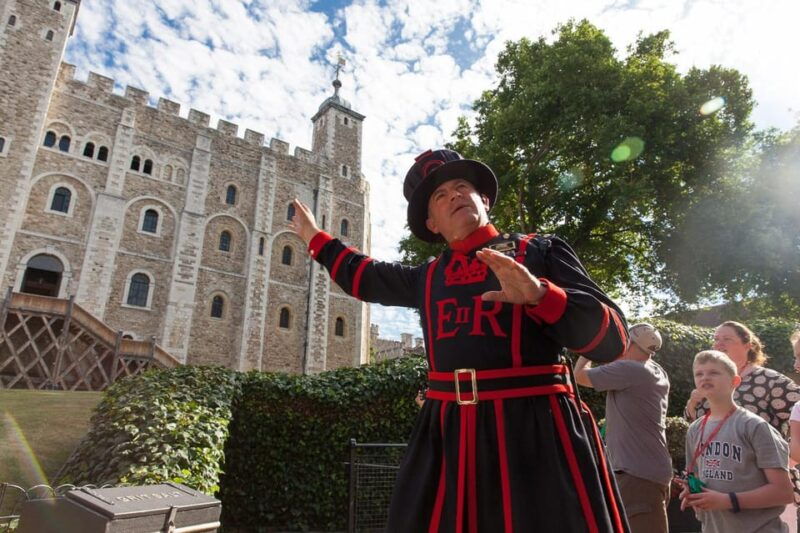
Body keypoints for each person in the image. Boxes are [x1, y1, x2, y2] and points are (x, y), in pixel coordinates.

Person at [290, 149, 630, 532]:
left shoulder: (541, 251)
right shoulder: (427, 277)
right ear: (432, 224)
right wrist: (314, 238)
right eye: (440, 195)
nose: (453, 195)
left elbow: (613, 341)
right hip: (446, 440)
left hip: (537, 438)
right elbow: (364, 275)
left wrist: (541, 296)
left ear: (483, 200)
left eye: (462, 186)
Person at [574, 323, 672, 533]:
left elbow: (579, 375)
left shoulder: (630, 369)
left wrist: (590, 349)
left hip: (636, 475)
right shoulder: (655, 370)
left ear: (628, 342)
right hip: (648, 471)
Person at [679, 350, 792, 532]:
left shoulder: (754, 426)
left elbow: (783, 492)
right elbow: (697, 477)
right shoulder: (694, 429)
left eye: (714, 372)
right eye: (699, 374)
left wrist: (727, 500)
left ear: (735, 381)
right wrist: (692, 491)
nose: (705, 377)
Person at [685, 321, 800, 439]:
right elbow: (693, 425)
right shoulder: (708, 379)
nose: (718, 344)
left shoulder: (771, 381)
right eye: (716, 339)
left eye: (726, 339)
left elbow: (798, 413)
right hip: (710, 456)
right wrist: (692, 403)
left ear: (747, 346)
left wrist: (791, 449)